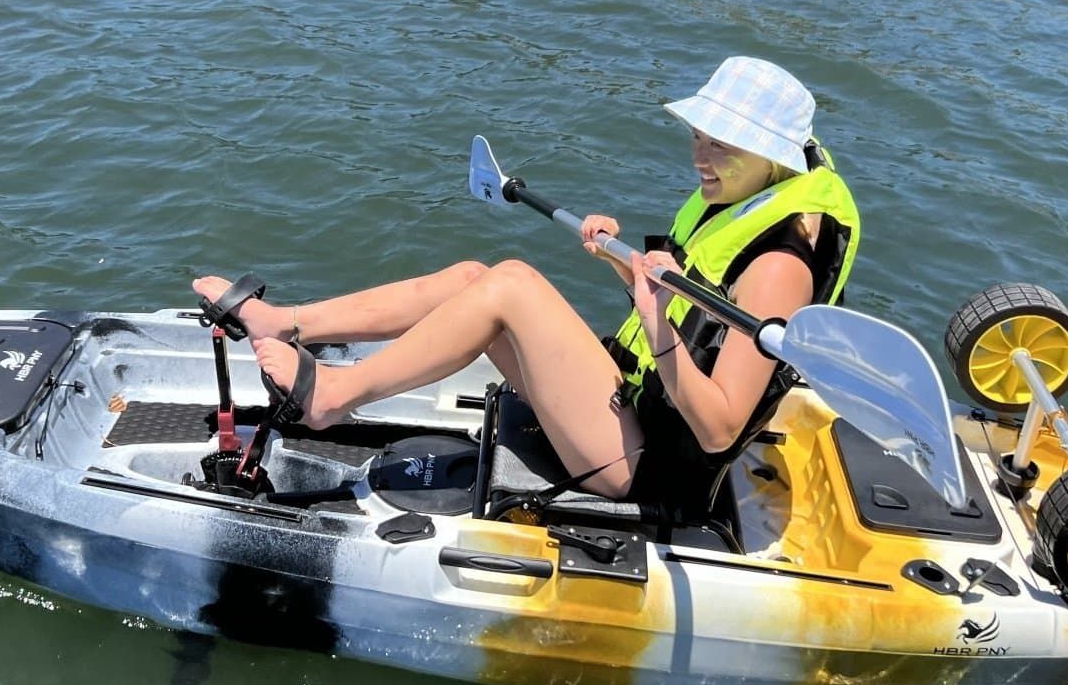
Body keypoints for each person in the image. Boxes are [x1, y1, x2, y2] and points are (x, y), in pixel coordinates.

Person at [192, 58, 860, 510]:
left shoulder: (780, 269)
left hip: (649, 466)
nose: (699, 156)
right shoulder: (749, 194)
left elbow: (716, 431)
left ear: (771, 152)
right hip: (632, 400)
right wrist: (622, 265)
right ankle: (286, 321)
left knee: (510, 286)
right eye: (698, 135)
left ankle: (332, 396)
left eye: (722, 145)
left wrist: (657, 325)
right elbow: (697, 309)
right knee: (473, 278)